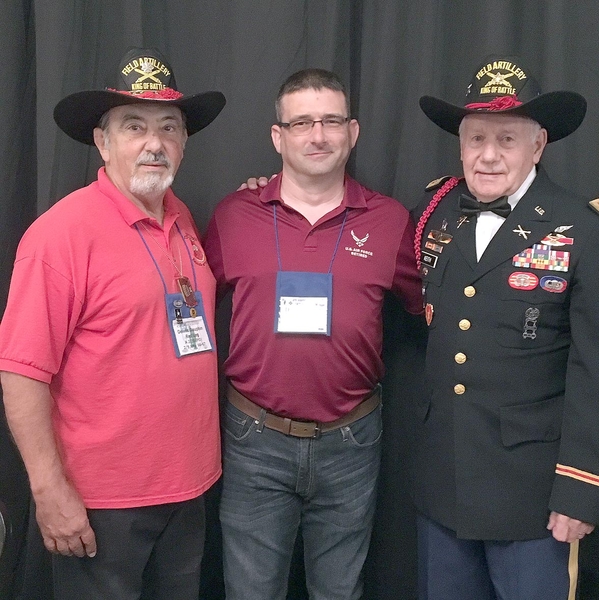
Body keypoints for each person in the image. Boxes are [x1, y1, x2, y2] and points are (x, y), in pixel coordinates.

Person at [0, 47, 225, 600]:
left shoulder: (180, 217)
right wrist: (49, 491)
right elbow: (21, 370)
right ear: (102, 142)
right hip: (102, 504)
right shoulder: (61, 235)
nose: (155, 142)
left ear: (184, 141)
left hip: (189, 489)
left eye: (169, 127)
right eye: (134, 127)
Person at [203, 68, 422, 600]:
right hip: (255, 439)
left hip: (353, 442)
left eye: (330, 121)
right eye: (301, 122)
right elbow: (193, 305)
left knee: (340, 590)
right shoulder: (234, 215)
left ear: (353, 132)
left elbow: (432, 311)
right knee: (251, 591)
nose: (317, 135)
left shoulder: (391, 220)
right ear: (278, 137)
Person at [412, 54, 599, 599]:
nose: (488, 155)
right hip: (443, 481)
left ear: (538, 146)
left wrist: (579, 487)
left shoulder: (579, 228)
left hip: (533, 496)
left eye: (507, 140)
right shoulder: (436, 212)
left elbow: (593, 368)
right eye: (475, 139)